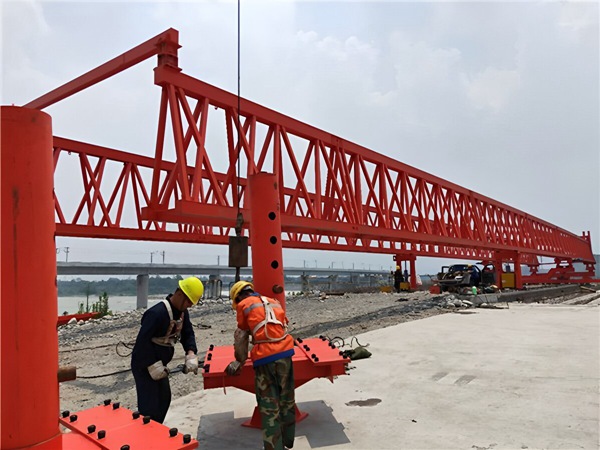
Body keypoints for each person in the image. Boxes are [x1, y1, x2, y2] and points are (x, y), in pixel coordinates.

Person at [226, 281, 296, 450]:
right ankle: (288, 441)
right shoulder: (273, 301)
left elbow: (241, 335)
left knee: (269, 407)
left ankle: (274, 447)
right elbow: (283, 325)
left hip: (265, 359)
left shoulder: (244, 305)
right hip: (286, 354)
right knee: (287, 399)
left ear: (238, 297)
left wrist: (239, 360)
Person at [131, 276, 203, 424]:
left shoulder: (182, 313)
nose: (189, 306)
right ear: (180, 294)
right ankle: (146, 433)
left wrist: (191, 353)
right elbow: (141, 344)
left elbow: (188, 333)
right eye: (188, 301)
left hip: (160, 365)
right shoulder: (156, 313)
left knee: (164, 399)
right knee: (149, 406)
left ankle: (157, 429)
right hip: (144, 365)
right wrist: (152, 364)